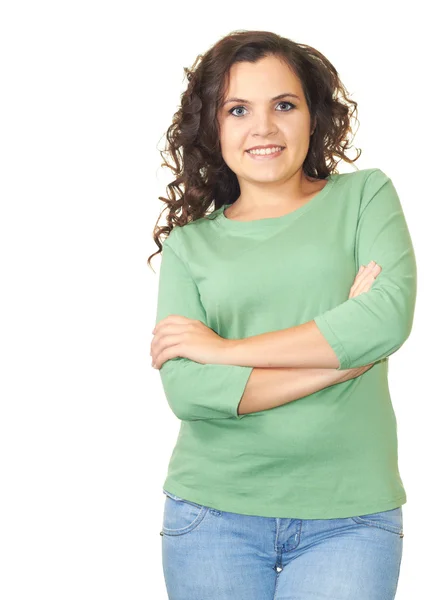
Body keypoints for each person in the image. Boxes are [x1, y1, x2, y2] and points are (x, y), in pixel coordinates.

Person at [148, 30, 417, 600]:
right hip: (211, 516)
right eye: (238, 109)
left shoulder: (365, 198)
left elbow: (385, 320)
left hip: (350, 517)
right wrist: (337, 363)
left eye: (284, 105)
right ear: (213, 127)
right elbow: (189, 391)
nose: (263, 128)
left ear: (313, 116)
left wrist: (223, 350)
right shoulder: (189, 246)